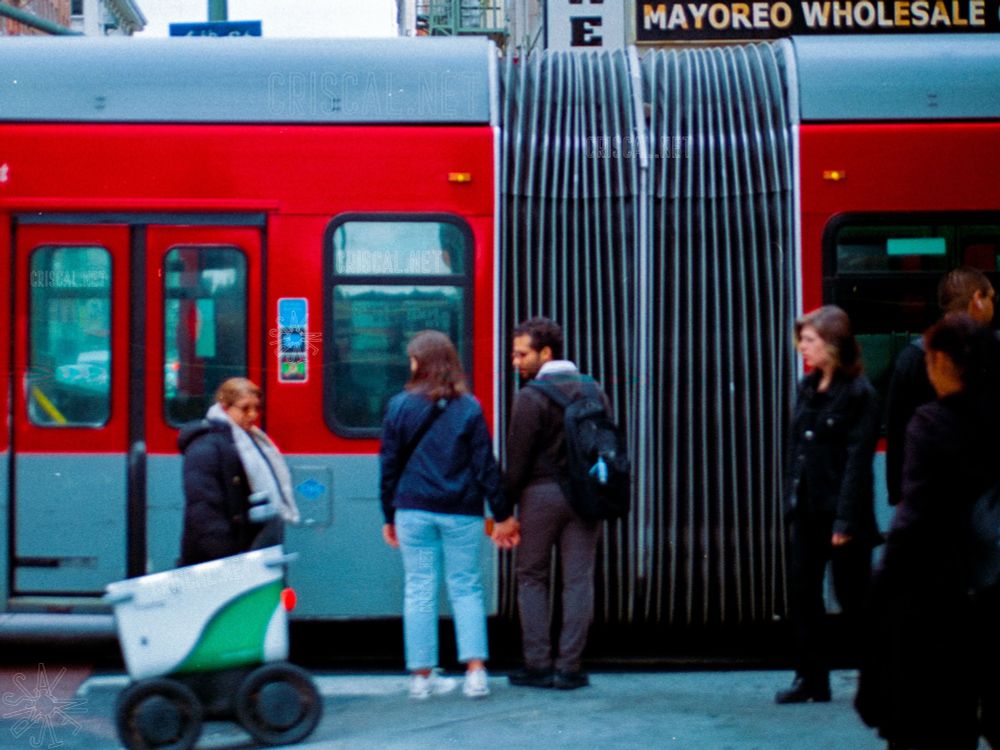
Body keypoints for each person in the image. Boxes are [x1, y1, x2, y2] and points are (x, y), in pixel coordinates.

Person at [856, 313, 999, 749]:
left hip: (938, 602)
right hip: (991, 596)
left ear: (943, 362)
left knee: (931, 725)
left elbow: (913, 524)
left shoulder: (932, 423)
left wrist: (881, 594)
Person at [379, 330, 515, 701]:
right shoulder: (469, 407)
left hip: (413, 510)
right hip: (461, 511)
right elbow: (485, 466)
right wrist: (502, 514)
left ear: (419, 363)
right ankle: (475, 675)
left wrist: (389, 515)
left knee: (419, 590)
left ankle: (421, 679)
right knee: (465, 587)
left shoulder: (399, 406)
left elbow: (388, 467)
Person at [495, 316, 611, 691]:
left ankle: (538, 664)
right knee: (578, 582)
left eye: (522, 354)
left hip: (540, 497)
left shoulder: (530, 397)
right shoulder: (594, 390)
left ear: (546, 353)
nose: (515, 362)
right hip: (586, 498)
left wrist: (503, 511)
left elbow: (517, 461)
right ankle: (569, 668)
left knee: (532, 578)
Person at [776, 305, 881, 705]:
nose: (803, 347)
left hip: (841, 516)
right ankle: (811, 678)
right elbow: (796, 450)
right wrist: (791, 498)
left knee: (853, 599)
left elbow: (858, 462)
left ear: (832, 345)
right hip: (806, 509)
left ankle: (877, 674)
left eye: (810, 340)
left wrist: (845, 519)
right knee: (803, 594)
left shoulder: (860, 394)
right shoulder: (807, 387)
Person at [885, 267, 995, 506]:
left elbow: (897, 430)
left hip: (930, 492)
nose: (993, 306)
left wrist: (898, 492)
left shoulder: (913, 357)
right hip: (981, 494)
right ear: (977, 298)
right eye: (991, 297)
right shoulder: (990, 354)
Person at [179, 377, 299, 566]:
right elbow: (204, 511)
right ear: (225, 408)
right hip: (219, 561)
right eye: (245, 408)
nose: (252, 415)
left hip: (246, 553)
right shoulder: (205, 447)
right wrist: (228, 562)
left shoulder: (248, 442)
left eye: (256, 408)